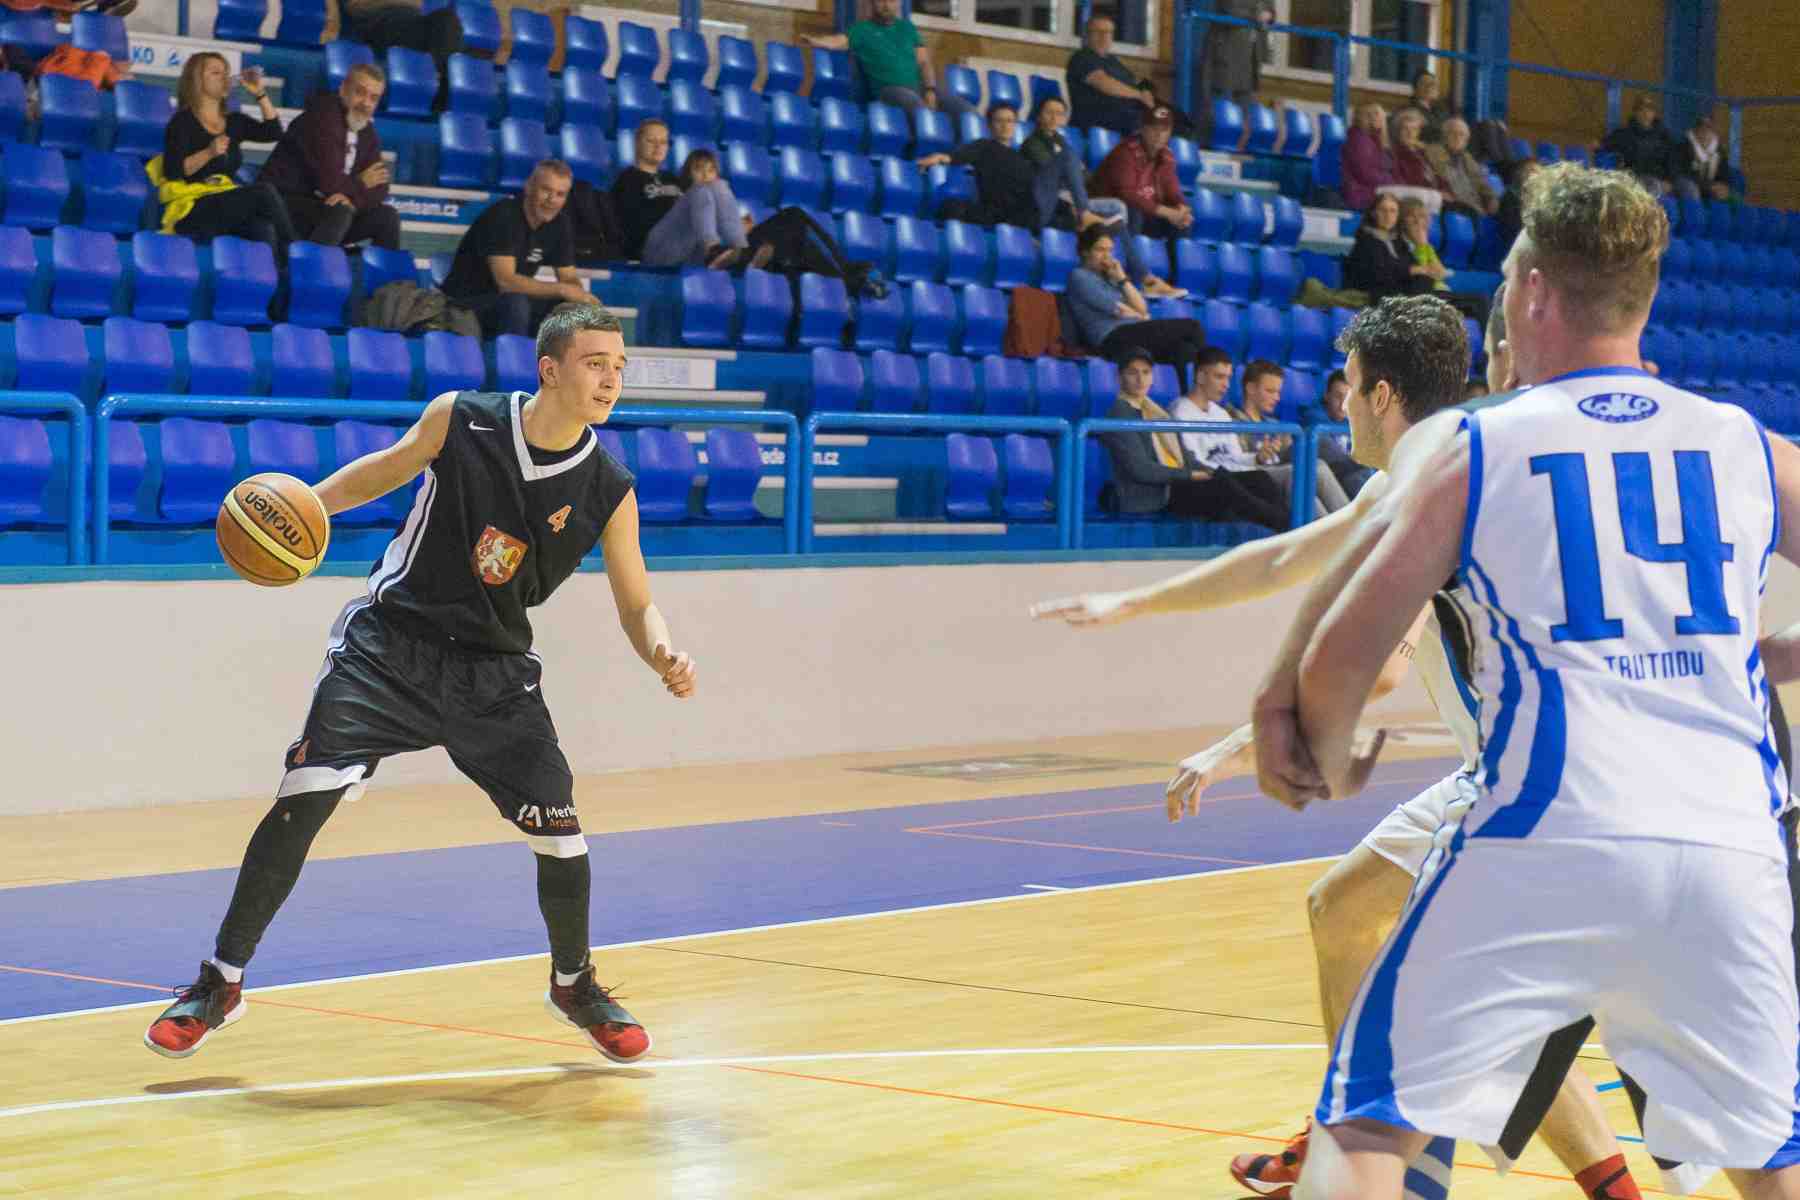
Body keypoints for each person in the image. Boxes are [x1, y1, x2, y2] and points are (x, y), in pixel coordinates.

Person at [1255, 163, 1800, 1200]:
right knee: (1769, 1168)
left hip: (1548, 834)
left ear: (1536, 292)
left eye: (1507, 277)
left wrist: (1290, 724)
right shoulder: (1744, 443)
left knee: (1364, 1128)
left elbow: (1342, 650)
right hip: (1731, 851)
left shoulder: (1477, 445)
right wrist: (1769, 653)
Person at [1032, 292, 1652, 1200]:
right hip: (1514, 767)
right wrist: (1148, 614)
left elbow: (1378, 664)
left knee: (1458, 1017)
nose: (1343, 402)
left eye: (1351, 385)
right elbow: (1293, 559)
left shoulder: (1439, 484)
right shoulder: (1453, 468)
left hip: (1539, 785)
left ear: (1384, 395)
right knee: (1345, 911)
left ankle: (1363, 1147)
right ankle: (1347, 1126)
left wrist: (1241, 734)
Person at [143, 303, 698, 1067]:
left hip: (494, 672)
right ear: (550, 369)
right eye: (595, 363)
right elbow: (384, 470)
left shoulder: (608, 484)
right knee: (302, 801)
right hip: (390, 647)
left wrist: (662, 651)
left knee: (564, 840)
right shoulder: (462, 418)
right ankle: (219, 982)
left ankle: (575, 985)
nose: (611, 379)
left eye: (619, 367)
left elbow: (636, 601)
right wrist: (301, 508)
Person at [1096, 348, 1290, 530]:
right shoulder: (1120, 413)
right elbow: (1141, 470)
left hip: (1176, 484)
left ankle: (1286, 529)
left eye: (1146, 372)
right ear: (1119, 378)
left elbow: (1184, 456)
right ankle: (1286, 527)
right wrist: (1191, 475)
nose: (1140, 379)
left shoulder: (1154, 411)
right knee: (1224, 486)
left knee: (1259, 479)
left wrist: (1208, 471)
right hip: (1158, 495)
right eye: (1132, 373)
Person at [1020, 95, 1185, 298]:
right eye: (1049, 112)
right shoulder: (1032, 142)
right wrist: (1076, 178)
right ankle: (1085, 214)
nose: (1054, 117)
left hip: (1068, 202)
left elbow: (1081, 175)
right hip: (1045, 203)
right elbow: (1055, 175)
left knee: (1118, 217)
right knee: (1116, 204)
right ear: (1038, 115)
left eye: (1059, 113)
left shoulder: (1062, 142)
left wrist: (1181, 205)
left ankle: (1144, 279)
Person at [158, 52, 302, 258]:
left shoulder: (234, 121)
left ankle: (274, 275)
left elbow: (273, 132)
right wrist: (208, 153)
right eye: (215, 73)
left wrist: (260, 93)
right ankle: (297, 253)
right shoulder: (182, 122)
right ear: (197, 81)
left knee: (263, 228)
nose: (224, 78)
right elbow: (173, 171)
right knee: (264, 191)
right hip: (193, 206)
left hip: (225, 200)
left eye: (226, 72)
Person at [256, 62, 402, 252]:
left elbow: (381, 187)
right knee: (340, 209)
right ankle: (310, 267)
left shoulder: (367, 132)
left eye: (373, 98)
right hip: (283, 203)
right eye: (360, 92)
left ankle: (385, 273)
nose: (366, 103)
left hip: (324, 210)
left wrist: (354, 201)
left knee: (387, 217)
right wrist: (360, 183)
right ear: (343, 89)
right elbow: (330, 184)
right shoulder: (322, 117)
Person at [442, 159, 588, 338]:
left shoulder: (560, 223)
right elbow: (506, 282)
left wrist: (581, 297)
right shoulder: (504, 215)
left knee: (567, 307)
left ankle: (552, 356)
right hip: (465, 304)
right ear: (529, 187)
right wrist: (563, 289)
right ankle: (514, 356)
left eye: (560, 194)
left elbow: (569, 277)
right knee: (516, 302)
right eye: (546, 190)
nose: (552, 200)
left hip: (510, 303)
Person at [1169, 348, 1306, 525]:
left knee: (1262, 479)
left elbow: (1235, 455)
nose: (1226, 385)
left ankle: (1295, 527)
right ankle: (1291, 526)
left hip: (1229, 473)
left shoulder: (1220, 413)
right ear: (1201, 377)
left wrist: (1256, 458)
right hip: (1205, 480)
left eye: (1228, 378)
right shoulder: (1180, 411)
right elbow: (1194, 462)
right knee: (1248, 482)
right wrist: (1230, 471)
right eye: (1219, 377)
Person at [1065, 226, 1207, 386]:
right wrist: (1139, 315)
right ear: (1085, 252)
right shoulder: (1079, 276)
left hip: (1131, 334)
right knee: (1193, 327)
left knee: (1184, 350)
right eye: (1100, 250)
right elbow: (1119, 310)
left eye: (1109, 250)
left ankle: (1189, 396)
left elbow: (1142, 307)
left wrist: (1122, 279)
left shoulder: (1112, 277)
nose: (1106, 256)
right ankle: (1204, 389)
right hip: (1111, 338)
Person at [802, 0, 976, 125]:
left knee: (966, 111)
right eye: (881, 0)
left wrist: (930, 90)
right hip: (888, 91)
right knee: (915, 105)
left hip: (919, 89)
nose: (886, 5)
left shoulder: (907, 28)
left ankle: (957, 156)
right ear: (873, 3)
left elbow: (924, 62)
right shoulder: (862, 29)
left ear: (899, 3)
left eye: (891, 0)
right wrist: (819, 41)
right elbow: (840, 41)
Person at [1231, 359, 1350, 513]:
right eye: (1270, 391)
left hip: (1284, 481)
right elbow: (1232, 462)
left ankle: (1347, 523)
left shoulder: (1277, 426)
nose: (1277, 398)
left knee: (1314, 472)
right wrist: (1258, 457)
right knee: (1310, 469)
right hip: (1257, 483)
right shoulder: (1233, 421)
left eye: (1278, 392)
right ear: (1251, 388)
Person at [917, 103, 1042, 230]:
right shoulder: (983, 146)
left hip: (1018, 214)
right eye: (999, 121)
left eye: (1010, 121)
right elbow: (958, 156)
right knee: (952, 207)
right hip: (992, 212)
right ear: (989, 125)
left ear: (1015, 125)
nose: (1005, 126)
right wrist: (939, 157)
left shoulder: (1023, 160)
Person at [1093, 106, 1194, 254]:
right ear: (1143, 129)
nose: (1159, 135)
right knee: (1135, 212)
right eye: (1154, 129)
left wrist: (1182, 207)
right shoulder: (1125, 152)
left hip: (1145, 214)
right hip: (1108, 214)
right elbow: (1127, 195)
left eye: (1164, 130)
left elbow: (1171, 188)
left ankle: (1174, 269)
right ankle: (1127, 262)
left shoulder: (1166, 155)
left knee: (1182, 223)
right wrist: (1166, 212)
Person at [639, 148, 757, 270]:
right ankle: (713, 249)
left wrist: (741, 230)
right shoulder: (683, 193)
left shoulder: (715, 195)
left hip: (689, 258)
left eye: (711, 170)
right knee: (701, 191)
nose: (705, 175)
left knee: (720, 186)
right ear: (689, 173)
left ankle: (738, 249)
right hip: (660, 251)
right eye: (698, 169)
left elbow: (706, 223)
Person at [341, 0, 463, 111]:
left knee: (451, 28)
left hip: (412, 21)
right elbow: (354, 6)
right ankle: (441, 89)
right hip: (379, 19)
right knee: (446, 22)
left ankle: (440, 84)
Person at [1065, 11, 1159, 134]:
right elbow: (1103, 83)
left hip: (1125, 116)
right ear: (1087, 35)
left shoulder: (1113, 61)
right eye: (1098, 32)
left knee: (1172, 118)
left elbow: (1135, 81)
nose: (1104, 37)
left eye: (1108, 32)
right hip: (1096, 120)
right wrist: (1139, 95)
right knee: (1152, 124)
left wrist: (1146, 92)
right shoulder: (1082, 58)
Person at [608, 120, 682, 262]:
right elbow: (632, 229)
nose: (658, 147)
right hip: (651, 249)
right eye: (651, 141)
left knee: (711, 188)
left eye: (663, 142)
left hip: (680, 245)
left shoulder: (673, 179)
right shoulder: (627, 180)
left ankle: (719, 250)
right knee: (703, 192)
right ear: (637, 143)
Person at [1342, 194, 1425, 303]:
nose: (1388, 216)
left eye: (1393, 211)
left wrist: (1422, 246)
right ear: (1373, 213)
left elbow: (1420, 268)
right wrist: (1410, 270)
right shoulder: (1365, 241)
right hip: (1371, 297)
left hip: (1398, 295)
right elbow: (1379, 275)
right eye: (1383, 210)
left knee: (1430, 285)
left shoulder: (1398, 241)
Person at [1600, 94, 1682, 197]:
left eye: (1649, 110)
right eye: (1641, 110)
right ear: (1635, 113)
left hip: (1659, 179)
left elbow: (1673, 160)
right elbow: (1603, 145)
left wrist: (1670, 181)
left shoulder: (1664, 136)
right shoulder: (1623, 133)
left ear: (1654, 113)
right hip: (1633, 178)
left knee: (1687, 189)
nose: (1645, 113)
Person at [1425, 117, 1500, 219]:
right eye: (1453, 133)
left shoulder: (1468, 159)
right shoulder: (1434, 153)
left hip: (1475, 206)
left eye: (1461, 135)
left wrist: (1490, 197)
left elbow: (1482, 184)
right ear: (1444, 136)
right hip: (1453, 205)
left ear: (1466, 141)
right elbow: (1429, 177)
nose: (1457, 138)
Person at [1205, 0, 1275, 105]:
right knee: (1223, 108)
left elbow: (1270, 10)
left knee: (1246, 108)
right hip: (1227, 56)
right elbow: (1230, 7)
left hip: (1252, 60)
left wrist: (1268, 15)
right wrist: (1258, 15)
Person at [1340, 102, 1396, 211]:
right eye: (1371, 114)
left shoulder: (1374, 139)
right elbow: (1365, 173)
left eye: (1379, 115)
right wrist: (1390, 182)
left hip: (1374, 189)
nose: (1377, 118)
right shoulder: (1358, 139)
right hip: (1360, 193)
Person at [1389, 107, 1446, 201]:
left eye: (1414, 129)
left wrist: (1444, 190)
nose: (1410, 133)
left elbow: (1439, 176)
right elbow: (1402, 183)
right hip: (1414, 198)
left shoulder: (1422, 152)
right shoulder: (1394, 153)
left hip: (1434, 197)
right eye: (1405, 129)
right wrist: (1435, 193)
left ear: (1418, 132)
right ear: (1398, 131)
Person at [1675, 114, 1732, 201]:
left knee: (1734, 197)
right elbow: (1684, 174)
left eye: (1709, 130)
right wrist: (1709, 186)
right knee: (1691, 190)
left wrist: (1723, 186)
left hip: (1712, 188)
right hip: (1691, 186)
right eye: (1702, 130)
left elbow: (1724, 172)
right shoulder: (1683, 148)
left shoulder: (1719, 151)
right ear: (1695, 132)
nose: (1705, 134)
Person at [1390, 70, 1453, 145]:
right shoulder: (1406, 111)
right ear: (1415, 88)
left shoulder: (1443, 110)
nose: (1429, 86)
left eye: (1433, 84)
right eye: (1424, 83)